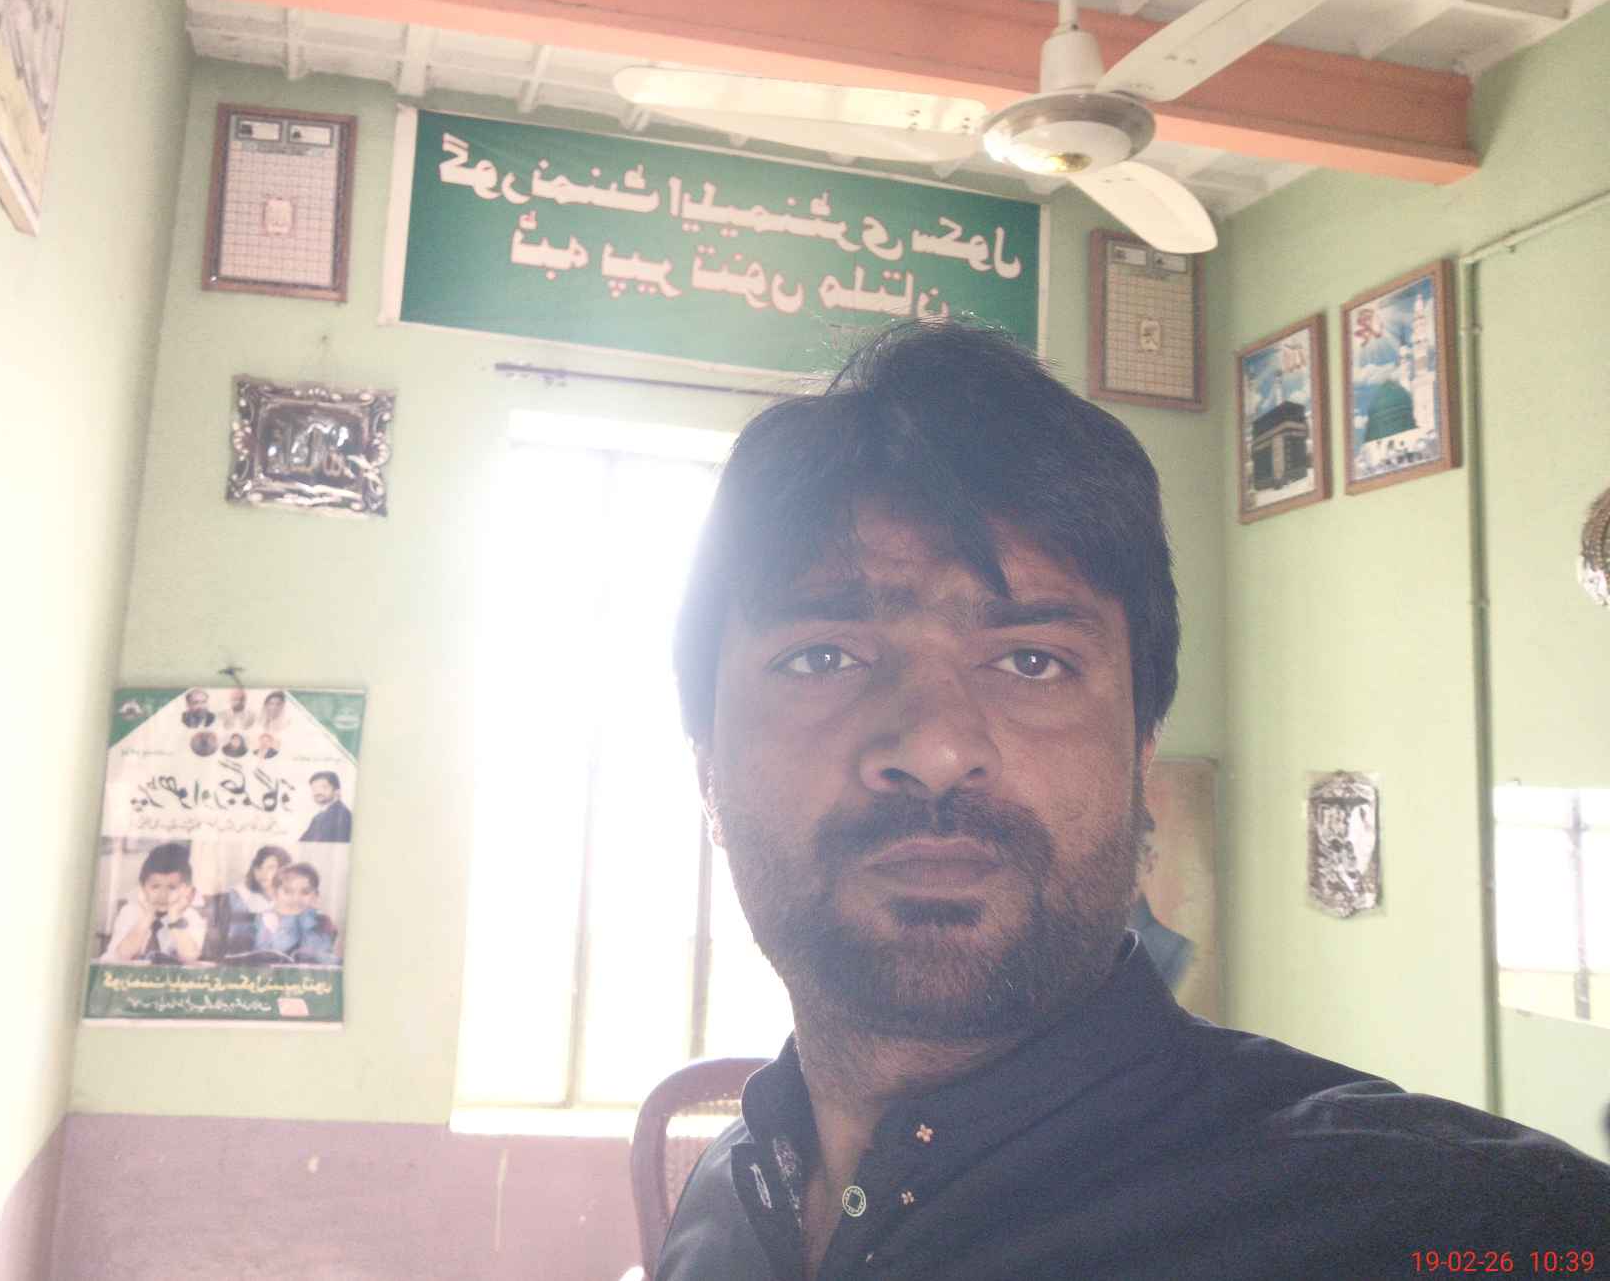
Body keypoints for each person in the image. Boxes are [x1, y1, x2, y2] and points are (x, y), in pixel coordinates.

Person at [658, 322, 1609, 1279]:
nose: (937, 749)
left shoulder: (1468, 1225)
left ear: (1142, 746)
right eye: (822, 656)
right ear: (705, 761)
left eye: (1033, 661)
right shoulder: (724, 1203)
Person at [98, 842, 206, 966]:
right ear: (143, 888)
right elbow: (123, 954)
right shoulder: (130, 911)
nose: (163, 895)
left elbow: (190, 957)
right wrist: (148, 916)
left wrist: (175, 919)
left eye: (172, 887)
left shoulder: (191, 916)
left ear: (185, 889)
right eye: (155, 887)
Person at [207, 844, 292, 960]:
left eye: (271, 868)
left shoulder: (293, 902)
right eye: (259, 867)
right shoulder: (236, 898)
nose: (263, 873)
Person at [252, 861, 339, 965]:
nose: (296, 899)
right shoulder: (266, 918)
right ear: (275, 894)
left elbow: (316, 952)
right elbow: (267, 953)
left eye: (305, 892)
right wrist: (280, 924)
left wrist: (303, 918)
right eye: (288, 891)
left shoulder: (322, 920)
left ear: (315, 896)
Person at [300, 771, 352, 843]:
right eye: (314, 789)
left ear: (337, 791)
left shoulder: (342, 815)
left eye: (324, 787)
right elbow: (302, 842)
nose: (318, 792)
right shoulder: (317, 818)